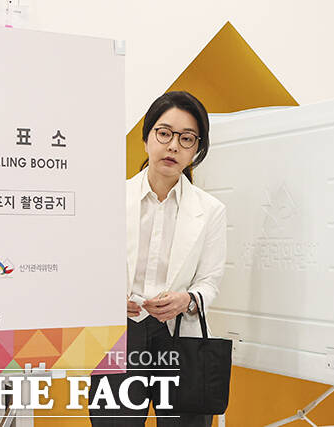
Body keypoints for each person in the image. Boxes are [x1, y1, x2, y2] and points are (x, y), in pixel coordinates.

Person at [88, 91, 227, 427]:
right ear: (147, 137)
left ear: (197, 149)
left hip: (180, 336)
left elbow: (209, 281)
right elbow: (87, 269)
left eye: (187, 138)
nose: (173, 146)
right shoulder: (107, 199)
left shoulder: (211, 211)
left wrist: (187, 300)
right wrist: (106, 298)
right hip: (120, 334)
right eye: (164, 133)